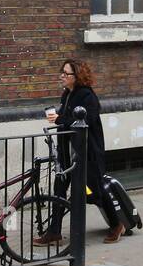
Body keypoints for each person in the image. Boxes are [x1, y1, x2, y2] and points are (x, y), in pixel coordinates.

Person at [34, 59, 124, 244]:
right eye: (62, 72)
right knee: (59, 188)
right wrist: (58, 118)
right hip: (68, 152)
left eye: (66, 74)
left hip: (87, 153)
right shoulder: (67, 94)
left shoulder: (87, 96)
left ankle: (117, 224)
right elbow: (67, 118)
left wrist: (60, 119)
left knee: (95, 189)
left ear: (78, 76)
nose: (62, 76)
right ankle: (54, 231)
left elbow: (84, 123)